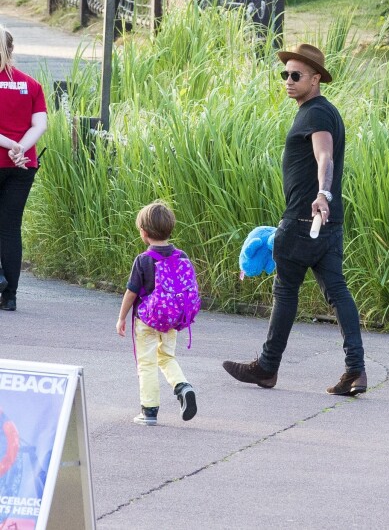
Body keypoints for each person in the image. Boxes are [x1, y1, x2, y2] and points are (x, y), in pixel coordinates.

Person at [222, 44, 367, 396]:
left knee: (286, 291)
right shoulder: (322, 111)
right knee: (337, 292)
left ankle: (267, 367)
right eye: (284, 74)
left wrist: (323, 194)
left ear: (316, 79)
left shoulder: (316, 114)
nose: (288, 80)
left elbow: (325, 157)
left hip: (305, 219)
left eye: (296, 75)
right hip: (327, 226)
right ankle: (356, 370)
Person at [116, 201, 198, 425]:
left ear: (143, 233)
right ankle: (183, 386)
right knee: (167, 357)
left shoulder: (143, 260)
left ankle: (149, 411)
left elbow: (132, 293)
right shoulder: (181, 256)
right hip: (172, 320)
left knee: (147, 364)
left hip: (147, 321)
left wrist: (122, 317)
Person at [0, 24, 48, 312]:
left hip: (6, 156)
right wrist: (19, 148)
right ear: (12, 49)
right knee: (10, 227)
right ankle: (11, 296)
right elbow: (40, 125)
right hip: (23, 165)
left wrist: (7, 145)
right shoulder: (30, 84)